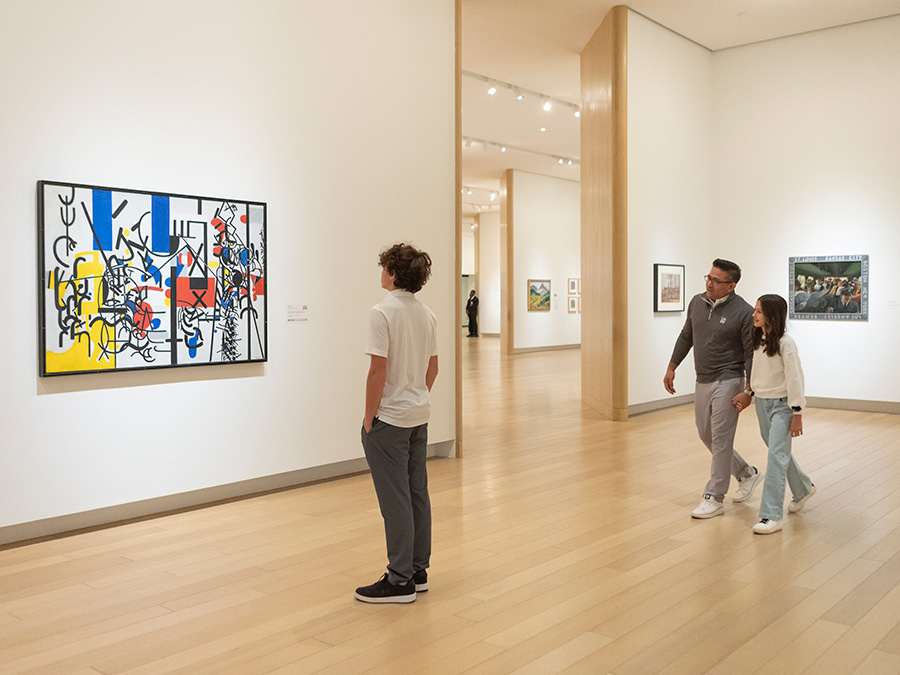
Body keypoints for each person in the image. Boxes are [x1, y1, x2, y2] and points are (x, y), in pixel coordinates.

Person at [355, 243, 439, 603]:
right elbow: (432, 368)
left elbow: (378, 371)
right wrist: (415, 395)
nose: (381, 272)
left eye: (384, 266)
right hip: (419, 416)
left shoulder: (382, 312)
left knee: (396, 500)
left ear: (392, 271)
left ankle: (400, 579)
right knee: (417, 492)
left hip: (389, 420)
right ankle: (418, 570)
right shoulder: (427, 314)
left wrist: (369, 417)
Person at [664, 258, 760, 519]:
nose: (709, 283)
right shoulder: (697, 302)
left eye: (716, 281)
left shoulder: (744, 312)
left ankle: (714, 497)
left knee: (720, 438)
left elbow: (750, 354)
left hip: (729, 379)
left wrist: (749, 390)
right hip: (702, 378)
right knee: (706, 434)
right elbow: (686, 335)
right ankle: (746, 472)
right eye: (708, 277)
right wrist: (672, 366)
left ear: (731, 286)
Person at [735, 294, 815, 534]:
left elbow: (795, 379)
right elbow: (757, 373)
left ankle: (771, 515)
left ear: (772, 315)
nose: (753, 315)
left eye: (759, 311)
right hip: (762, 404)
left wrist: (797, 412)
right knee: (778, 452)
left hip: (782, 406)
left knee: (775, 458)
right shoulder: (758, 339)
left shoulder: (785, 344)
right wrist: (749, 392)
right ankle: (802, 489)